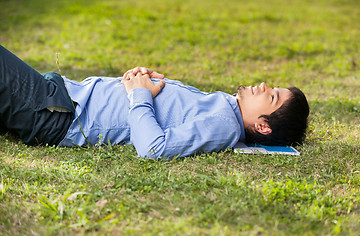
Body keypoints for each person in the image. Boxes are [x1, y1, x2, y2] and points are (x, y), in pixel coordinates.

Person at [0, 45, 309, 159]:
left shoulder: (223, 124)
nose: (265, 85)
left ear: (262, 127)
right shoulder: (222, 107)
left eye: (272, 96)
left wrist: (139, 93)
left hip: (55, 113)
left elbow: (153, 148)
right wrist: (142, 80)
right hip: (58, 95)